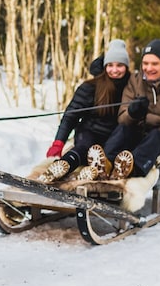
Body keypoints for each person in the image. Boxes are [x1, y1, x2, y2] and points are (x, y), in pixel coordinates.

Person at [89, 38, 160, 180]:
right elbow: (122, 117)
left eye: (154, 64)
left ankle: (130, 170)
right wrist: (132, 112)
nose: (148, 68)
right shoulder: (135, 81)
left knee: (156, 136)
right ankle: (105, 165)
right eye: (145, 63)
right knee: (123, 129)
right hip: (139, 133)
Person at [38, 39, 131, 184]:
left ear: (126, 66)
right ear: (105, 66)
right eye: (110, 65)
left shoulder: (132, 87)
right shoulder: (91, 87)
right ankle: (62, 166)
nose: (115, 70)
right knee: (85, 148)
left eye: (120, 65)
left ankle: (93, 171)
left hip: (115, 136)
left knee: (110, 151)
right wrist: (58, 142)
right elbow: (70, 116)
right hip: (90, 131)